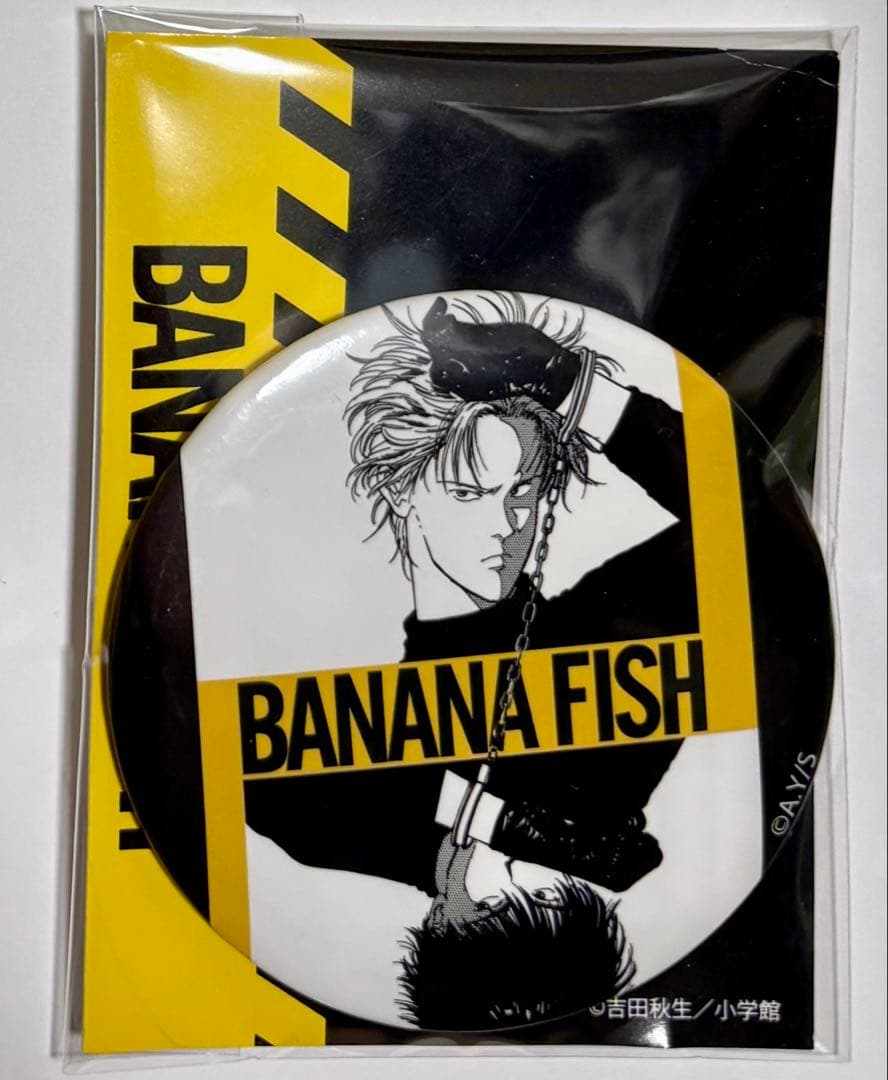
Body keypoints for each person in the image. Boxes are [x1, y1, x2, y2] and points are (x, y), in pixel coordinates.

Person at [245, 292, 697, 1027]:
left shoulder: (322, 817)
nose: (507, 524)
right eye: (468, 491)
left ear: (440, 904)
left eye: (525, 491)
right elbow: (755, 518)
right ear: (400, 494)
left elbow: (257, 777)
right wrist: (567, 384)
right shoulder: (618, 674)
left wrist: (490, 818)